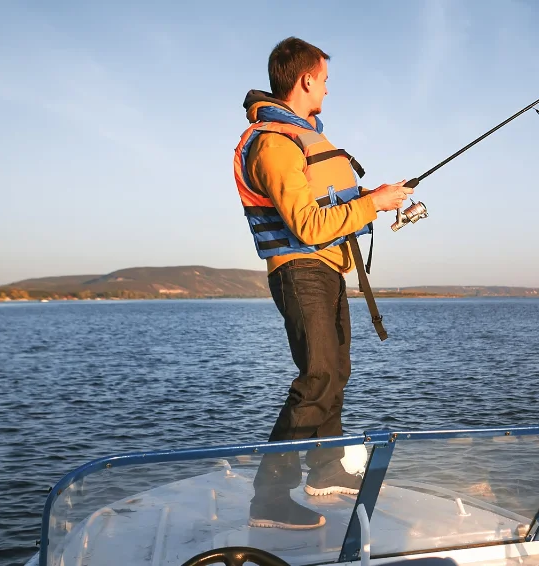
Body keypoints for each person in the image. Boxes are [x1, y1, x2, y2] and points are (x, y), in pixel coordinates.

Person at [232, 37, 414, 529]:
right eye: (325, 81)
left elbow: (327, 209)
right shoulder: (273, 143)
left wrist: (373, 195)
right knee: (317, 373)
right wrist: (373, 204)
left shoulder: (301, 136)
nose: (328, 92)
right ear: (306, 79)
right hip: (299, 269)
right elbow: (307, 225)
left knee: (335, 370)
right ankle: (268, 497)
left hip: (327, 269)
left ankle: (326, 467)